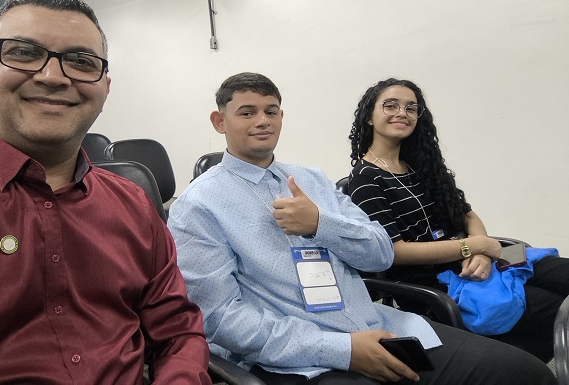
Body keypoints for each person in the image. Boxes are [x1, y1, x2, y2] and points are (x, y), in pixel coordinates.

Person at [167, 72, 556, 384]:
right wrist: (342, 349)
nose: (263, 121)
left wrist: (320, 224)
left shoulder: (315, 179)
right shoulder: (198, 205)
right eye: (247, 112)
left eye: (271, 111)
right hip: (302, 358)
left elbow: (381, 250)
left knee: (527, 372)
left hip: (381, 323)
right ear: (220, 121)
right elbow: (219, 318)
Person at [0, 0, 210, 384]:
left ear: (105, 88)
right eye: (24, 52)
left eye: (81, 61)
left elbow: (177, 333)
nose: (54, 76)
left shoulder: (134, 204)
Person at [347, 77, 569, 362]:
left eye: (411, 108)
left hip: (483, 254)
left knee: (562, 272)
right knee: (558, 308)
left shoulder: (422, 165)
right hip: (442, 277)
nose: (402, 113)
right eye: (391, 105)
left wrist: (482, 250)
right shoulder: (365, 179)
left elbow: (467, 214)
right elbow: (394, 252)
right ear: (369, 116)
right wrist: (472, 248)